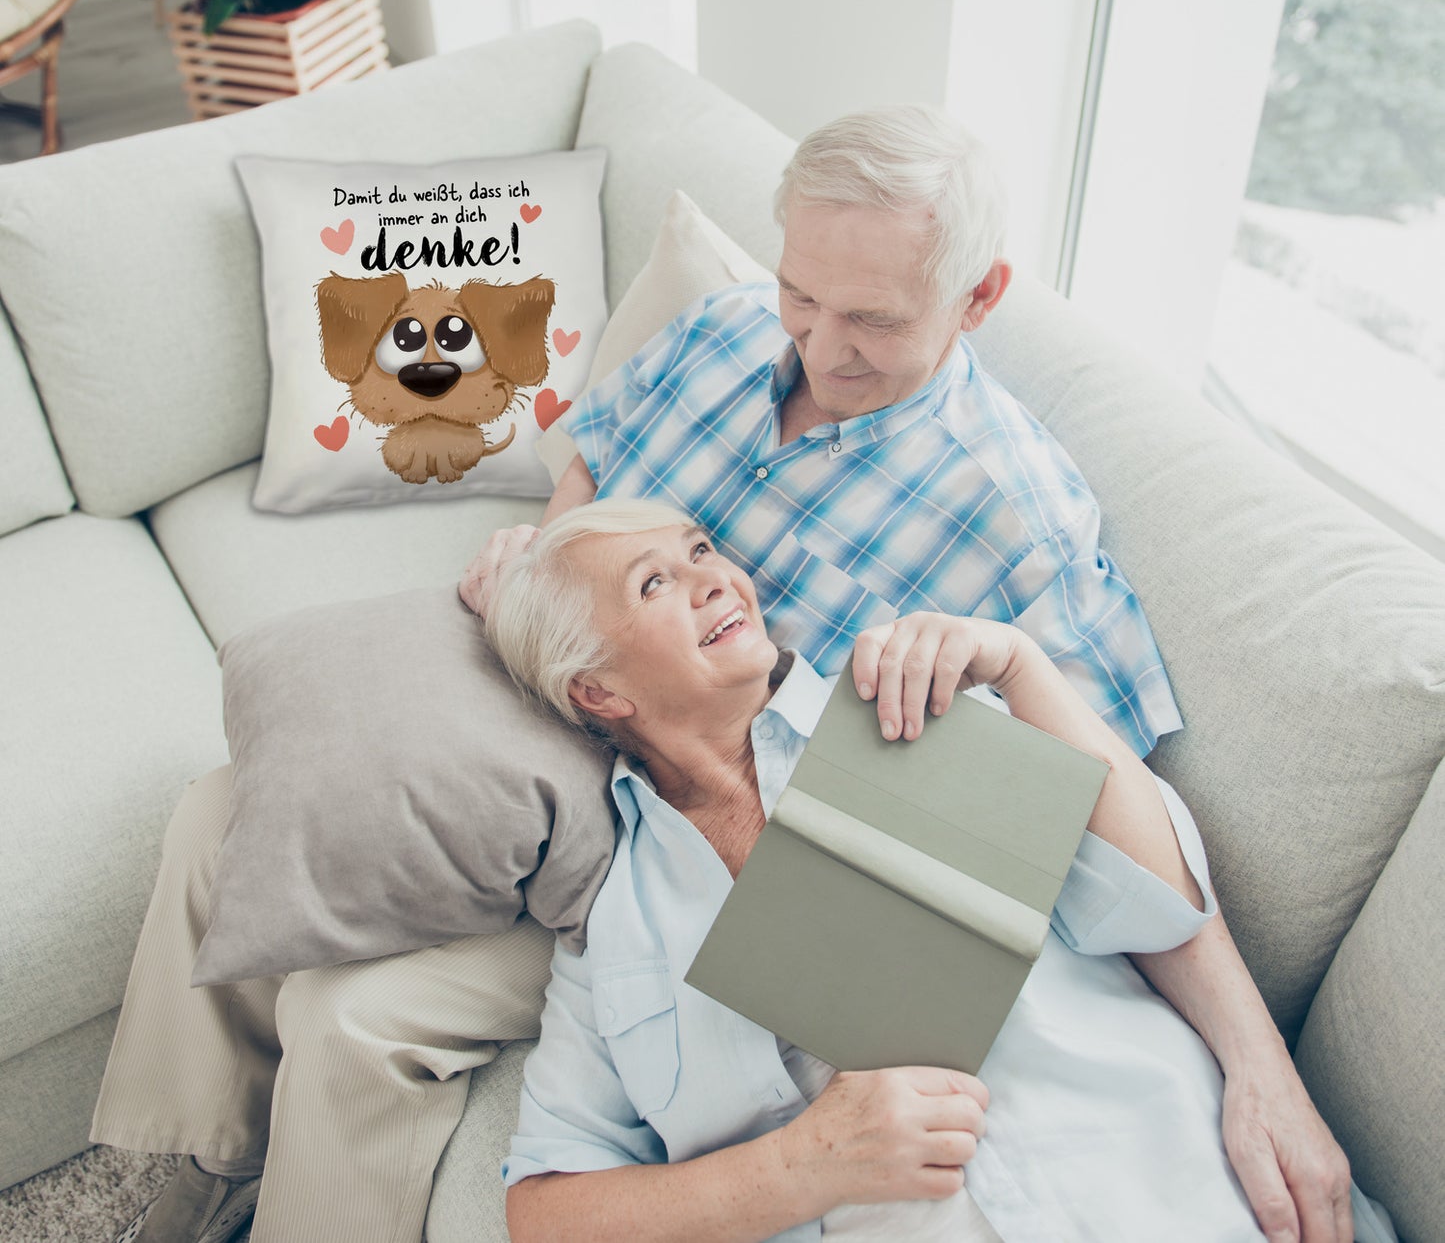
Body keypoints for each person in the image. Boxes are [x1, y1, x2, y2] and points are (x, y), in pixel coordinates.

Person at [94, 107, 1349, 1243]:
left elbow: (1102, 817)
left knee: (355, 1016)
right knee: (229, 805)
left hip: (693, 809)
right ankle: (194, 1160)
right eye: (804, 293)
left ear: (976, 299)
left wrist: (1259, 1064)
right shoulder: (725, 330)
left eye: (871, 318)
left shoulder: (1017, 523)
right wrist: (545, 564)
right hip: (580, 684)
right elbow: (594, 464)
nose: (819, 343)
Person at [486, 498, 1383, 1243]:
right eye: (655, 582)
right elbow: (545, 1210)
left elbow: (1158, 903)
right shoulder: (614, 930)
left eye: (700, 550)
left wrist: (1021, 667)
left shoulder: (909, 705)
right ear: (597, 691)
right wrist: (802, 1165)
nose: (714, 577)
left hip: (1175, 1188)